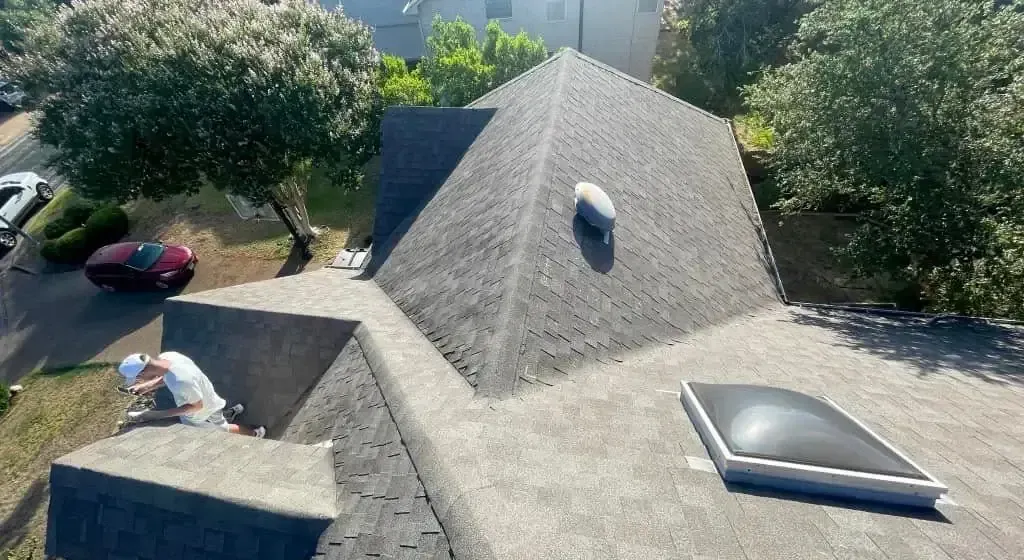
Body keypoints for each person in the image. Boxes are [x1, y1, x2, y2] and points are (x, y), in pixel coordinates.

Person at [118, 352, 266, 438]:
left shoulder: (182, 381)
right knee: (218, 416)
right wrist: (148, 385)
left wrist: (157, 415)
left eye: (138, 378)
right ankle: (230, 412)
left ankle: (255, 433)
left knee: (224, 430)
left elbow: (196, 406)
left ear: (143, 372)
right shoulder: (169, 357)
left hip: (203, 413)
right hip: (208, 399)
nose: (138, 381)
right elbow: (169, 376)